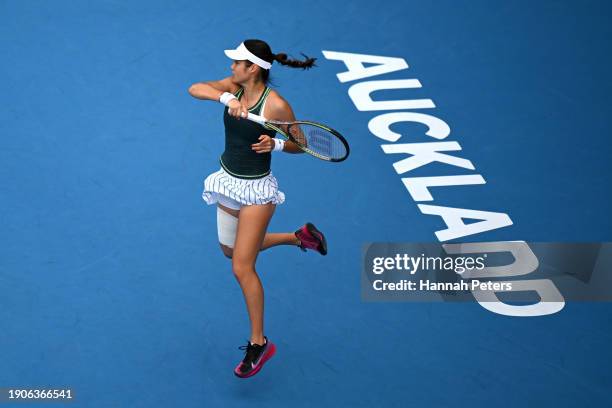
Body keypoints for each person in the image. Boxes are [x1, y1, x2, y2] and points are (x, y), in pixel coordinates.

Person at [188, 39, 327, 378]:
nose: (233, 66)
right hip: (227, 181)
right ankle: (299, 238)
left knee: (241, 266)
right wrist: (225, 97)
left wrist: (275, 143)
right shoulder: (234, 85)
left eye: (238, 62)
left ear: (253, 68)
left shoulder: (276, 106)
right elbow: (194, 88)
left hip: (255, 193)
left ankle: (259, 343)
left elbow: (301, 144)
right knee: (229, 250)